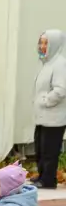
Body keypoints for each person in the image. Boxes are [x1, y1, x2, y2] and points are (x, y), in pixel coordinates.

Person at [33, 30, 66, 189]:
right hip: (42, 116)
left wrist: (46, 101)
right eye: (41, 42)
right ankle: (41, 175)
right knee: (40, 147)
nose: (42, 46)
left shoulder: (60, 63)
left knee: (49, 150)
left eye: (46, 43)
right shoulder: (46, 63)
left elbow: (60, 90)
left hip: (54, 116)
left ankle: (48, 179)